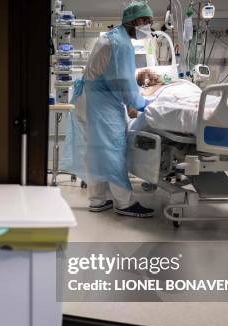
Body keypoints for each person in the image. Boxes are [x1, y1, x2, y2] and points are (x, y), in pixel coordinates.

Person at [72, 1, 155, 217]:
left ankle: (98, 199)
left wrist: (133, 99)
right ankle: (124, 203)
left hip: (89, 99)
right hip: (100, 105)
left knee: (97, 151)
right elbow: (123, 83)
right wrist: (142, 103)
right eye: (147, 21)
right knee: (113, 149)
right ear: (136, 21)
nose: (149, 26)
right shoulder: (121, 44)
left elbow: (119, 78)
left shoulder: (113, 38)